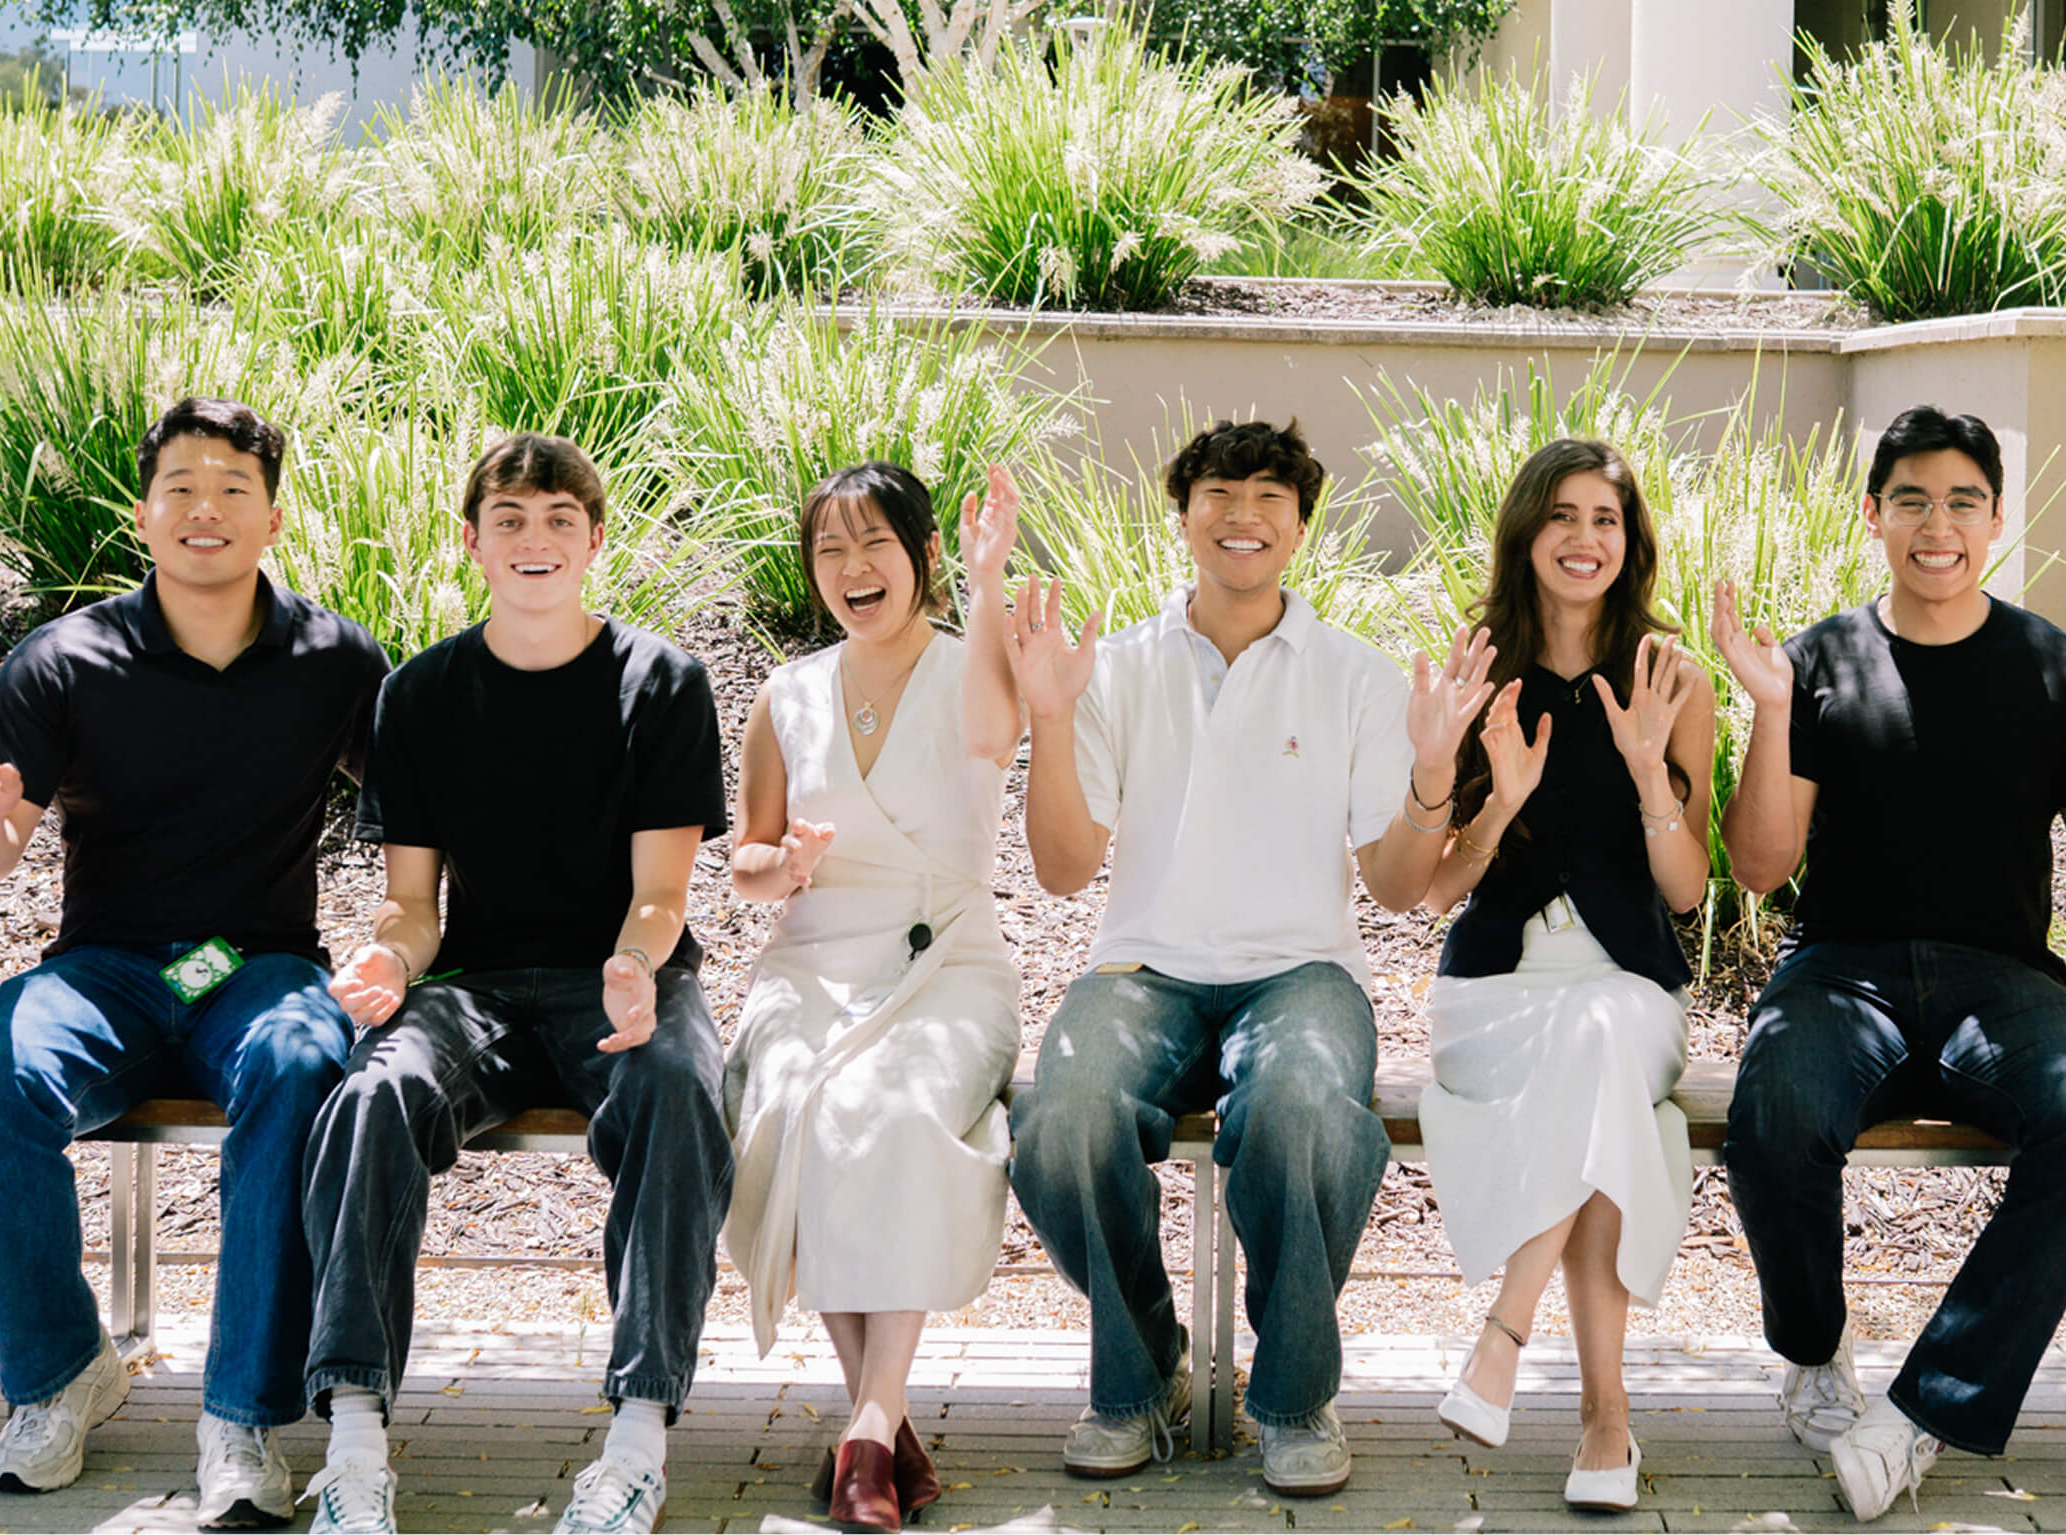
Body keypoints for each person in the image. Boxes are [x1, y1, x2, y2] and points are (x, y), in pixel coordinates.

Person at [1710, 404, 2066, 1522]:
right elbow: (1759, 865)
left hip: (2003, 982)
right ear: (1872, 514)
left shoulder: (2056, 668)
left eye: (1961, 502)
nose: (1935, 525)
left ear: (1996, 518)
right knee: (1775, 1110)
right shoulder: (1818, 660)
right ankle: (1813, 1351)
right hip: (1839, 971)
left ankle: (1926, 1407)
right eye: (1911, 500)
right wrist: (1769, 708)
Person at [0, 398, 388, 1529]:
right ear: (143, 514)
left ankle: (243, 1415)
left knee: (301, 1065)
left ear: (272, 518)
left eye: (232, 488)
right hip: (110, 969)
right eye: (180, 486)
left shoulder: (335, 659)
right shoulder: (65, 658)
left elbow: (428, 822)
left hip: (255, 964)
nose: (204, 508)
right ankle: (61, 1371)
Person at [1006, 417, 1469, 1499]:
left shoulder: (1356, 677)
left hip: (1301, 973)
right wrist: (1049, 716)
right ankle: (1143, 1372)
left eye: (1270, 496)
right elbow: (1064, 870)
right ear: (1183, 516)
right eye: (1218, 492)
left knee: (1305, 1108)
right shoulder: (1116, 667)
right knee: (1063, 1115)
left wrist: (1432, 771)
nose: (1243, 514)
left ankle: (1295, 1396)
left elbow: (1396, 887)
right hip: (1144, 970)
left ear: (1300, 527)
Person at [299, 433, 734, 1535]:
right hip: (477, 985)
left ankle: (637, 1442)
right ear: (472, 541)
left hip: (620, 977)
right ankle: (353, 1445)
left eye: (557, 520)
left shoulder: (661, 682)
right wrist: (389, 959)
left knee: (679, 1088)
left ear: (594, 539)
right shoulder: (420, 694)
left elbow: (661, 891)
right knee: (370, 1093)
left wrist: (633, 965)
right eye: (509, 520)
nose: (533, 540)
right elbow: (412, 904)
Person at [1402, 440, 1713, 1516]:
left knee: (1601, 1033)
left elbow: (1686, 891)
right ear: (1527, 532)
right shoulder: (1477, 673)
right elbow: (1434, 891)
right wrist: (1497, 800)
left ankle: (1504, 1334)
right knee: (1598, 1080)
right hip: (1493, 994)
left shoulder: (1672, 681)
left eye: (1606, 519)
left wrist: (1648, 772)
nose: (1585, 539)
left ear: (1631, 543)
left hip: (1630, 985)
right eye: (1563, 516)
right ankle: (1603, 1417)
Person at [720, 463, 1027, 1533]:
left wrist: (988, 582)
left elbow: (994, 734)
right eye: (830, 550)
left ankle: (863, 1427)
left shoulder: (971, 659)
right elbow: (745, 862)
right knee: (794, 1104)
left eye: (875, 544)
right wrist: (785, 867)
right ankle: (878, 1426)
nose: (852, 568)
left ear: (924, 554)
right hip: (810, 963)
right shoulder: (787, 694)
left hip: (947, 962)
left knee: (888, 1112)